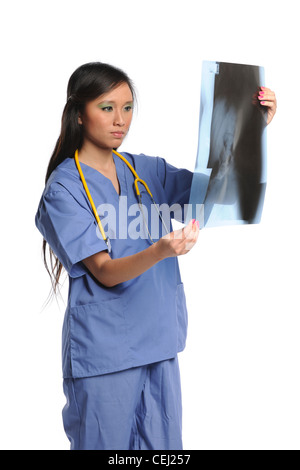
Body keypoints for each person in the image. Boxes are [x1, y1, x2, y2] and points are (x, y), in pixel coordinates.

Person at [35, 62, 277, 450]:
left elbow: (212, 188)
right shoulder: (64, 190)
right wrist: (160, 250)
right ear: (79, 113)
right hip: (105, 357)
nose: (120, 120)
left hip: (159, 346)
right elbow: (104, 271)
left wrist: (252, 128)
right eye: (107, 107)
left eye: (128, 107)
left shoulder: (143, 170)